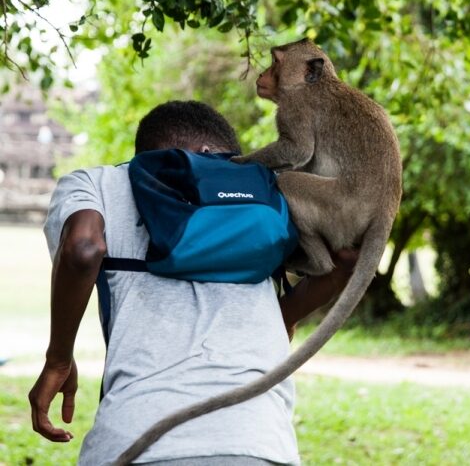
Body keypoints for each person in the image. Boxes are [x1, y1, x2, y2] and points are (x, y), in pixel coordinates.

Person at [28, 100, 356, 465]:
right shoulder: (273, 191)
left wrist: (58, 359)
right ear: (229, 153)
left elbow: (83, 247)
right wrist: (286, 316)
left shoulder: (102, 183)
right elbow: (344, 261)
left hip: (137, 440)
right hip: (258, 440)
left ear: (145, 156)